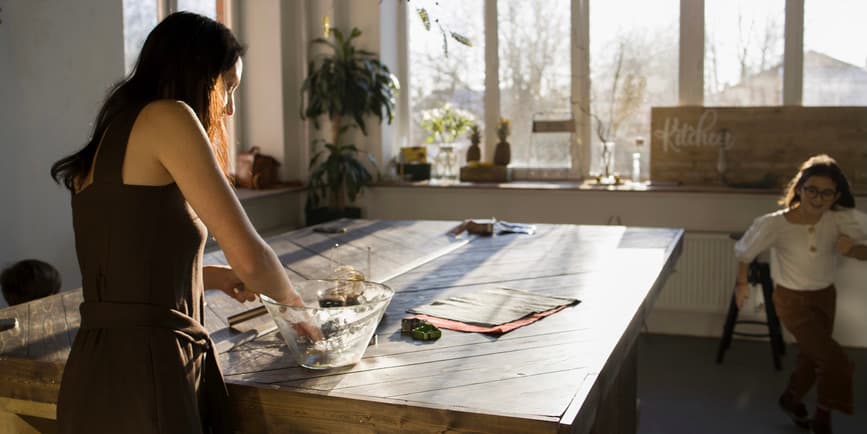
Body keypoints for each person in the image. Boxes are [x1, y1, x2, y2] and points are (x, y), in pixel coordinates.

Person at [50, 12, 309, 434]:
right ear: (198, 73)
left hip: (92, 372)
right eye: (229, 87)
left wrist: (211, 277)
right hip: (151, 373)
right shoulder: (169, 117)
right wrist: (302, 317)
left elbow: (127, 277)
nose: (229, 108)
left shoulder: (112, 133)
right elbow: (252, 255)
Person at [733, 154, 867, 434]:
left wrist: (852, 250)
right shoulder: (775, 224)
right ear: (799, 188)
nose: (818, 198)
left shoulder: (839, 220)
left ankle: (790, 399)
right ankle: (823, 416)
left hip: (825, 296)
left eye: (826, 193)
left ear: (836, 195)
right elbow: (746, 252)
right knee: (835, 361)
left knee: (812, 356)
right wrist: (742, 285)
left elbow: (864, 249)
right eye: (811, 190)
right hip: (791, 300)